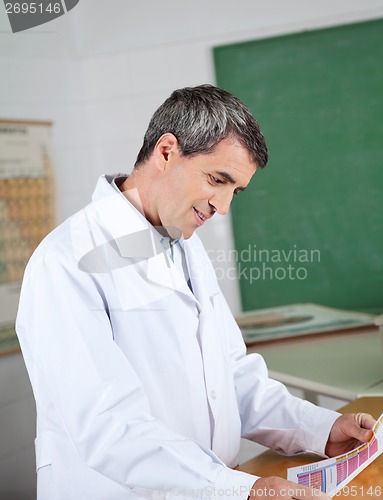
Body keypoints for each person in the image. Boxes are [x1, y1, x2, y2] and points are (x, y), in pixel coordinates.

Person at [16, 85, 375, 500]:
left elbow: (231, 376)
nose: (222, 207)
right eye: (217, 180)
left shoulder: (182, 241)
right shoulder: (65, 261)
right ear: (167, 152)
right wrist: (237, 487)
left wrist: (320, 429)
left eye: (234, 191)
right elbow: (108, 428)